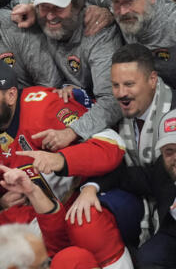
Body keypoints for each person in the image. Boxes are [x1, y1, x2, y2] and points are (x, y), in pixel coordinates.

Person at [0, 58, 133, 267]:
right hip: (49, 212)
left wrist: (60, 160)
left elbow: (112, 145)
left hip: (98, 191)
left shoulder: (44, 107)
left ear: (11, 95)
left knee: (86, 223)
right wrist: (1, 203)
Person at [32, 0, 123, 147]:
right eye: (44, 7)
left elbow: (113, 101)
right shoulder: (35, 12)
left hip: (104, 129)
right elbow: (10, 5)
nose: (50, 16)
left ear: (78, 4)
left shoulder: (99, 33)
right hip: (64, 109)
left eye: (58, 7)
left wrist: (73, 131)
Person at [72, 109, 176, 268]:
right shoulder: (162, 173)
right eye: (169, 151)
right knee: (148, 257)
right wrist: (90, 188)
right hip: (171, 232)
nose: (175, 157)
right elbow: (123, 176)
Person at [98, 0, 176, 87]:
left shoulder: (172, 24)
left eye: (130, 0)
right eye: (116, 2)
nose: (123, 11)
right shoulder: (115, 6)